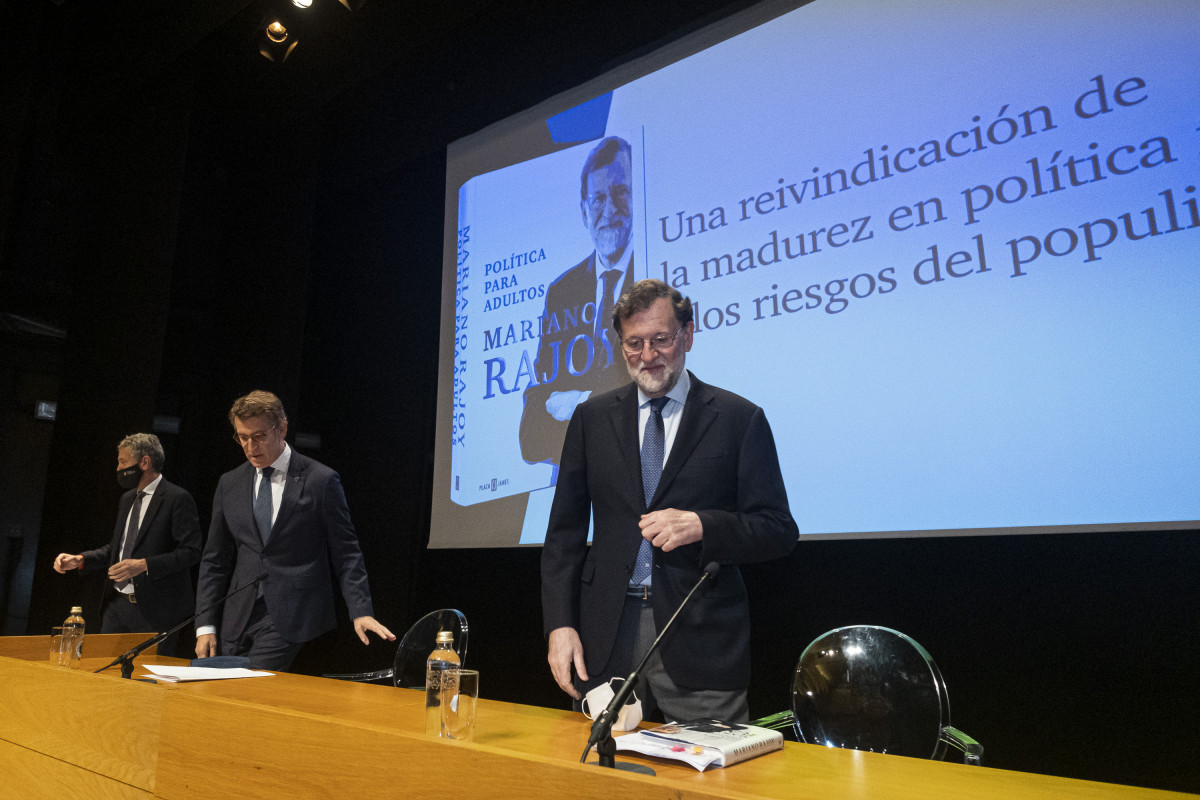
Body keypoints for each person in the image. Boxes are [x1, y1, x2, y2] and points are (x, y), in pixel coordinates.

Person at [541, 279, 798, 722]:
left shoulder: (739, 419)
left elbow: (777, 529)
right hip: (606, 637)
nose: (647, 356)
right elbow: (563, 536)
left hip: (700, 638)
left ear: (688, 335)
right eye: (634, 343)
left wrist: (704, 525)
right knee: (600, 784)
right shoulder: (591, 419)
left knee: (712, 782)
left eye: (660, 340)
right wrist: (560, 626)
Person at [194, 390, 394, 670]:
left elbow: (346, 553)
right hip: (237, 615)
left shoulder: (320, 480)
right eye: (242, 437)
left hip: (292, 613)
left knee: (249, 686)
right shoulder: (230, 483)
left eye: (259, 436)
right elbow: (214, 559)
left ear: (282, 428)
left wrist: (360, 611)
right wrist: (205, 624)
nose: (251, 447)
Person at [519, 136, 638, 465]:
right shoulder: (562, 293)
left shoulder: (656, 274)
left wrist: (579, 402)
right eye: (599, 199)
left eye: (620, 193)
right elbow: (531, 438)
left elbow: (652, 408)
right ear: (584, 212)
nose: (610, 210)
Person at [52, 433, 202, 657]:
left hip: (156, 610)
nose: (118, 468)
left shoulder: (176, 498)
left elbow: (192, 552)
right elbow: (117, 548)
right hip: (116, 605)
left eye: (123, 462)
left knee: (146, 684)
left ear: (144, 462)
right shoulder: (127, 499)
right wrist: (81, 559)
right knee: (103, 672)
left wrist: (144, 565)